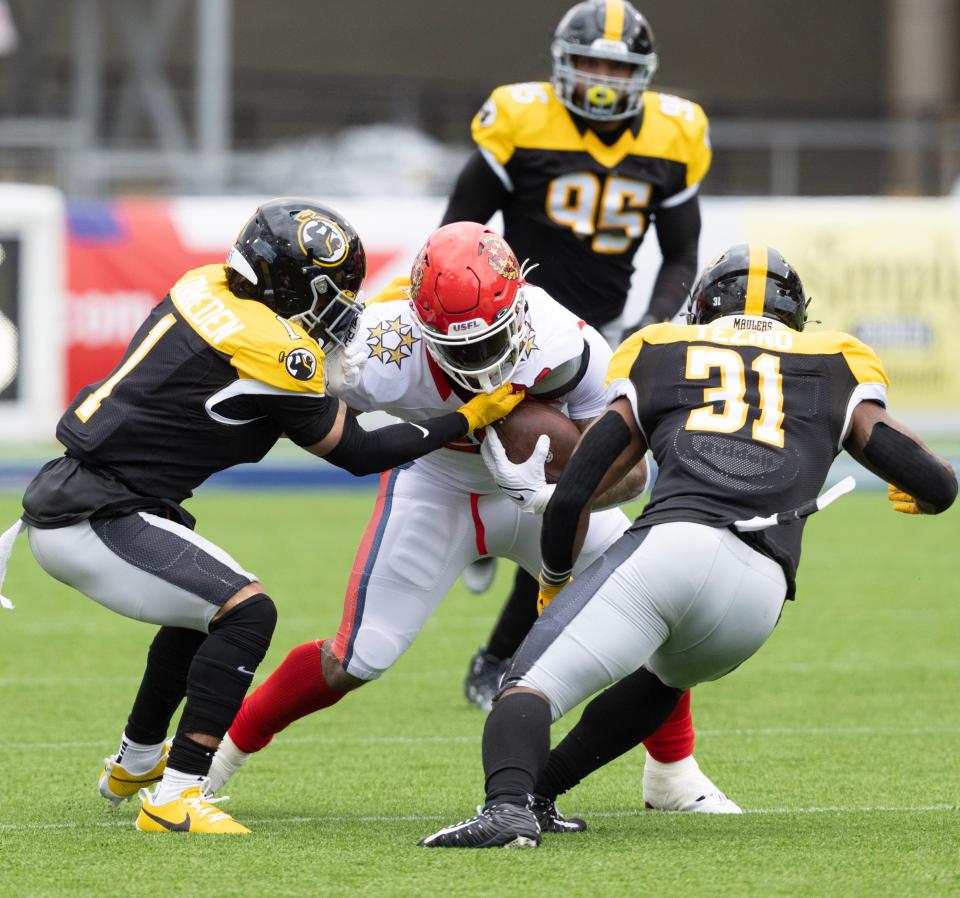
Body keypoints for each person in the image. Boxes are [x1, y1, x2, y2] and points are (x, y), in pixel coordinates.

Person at [0, 200, 523, 835]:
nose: (343, 310)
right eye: (335, 294)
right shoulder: (277, 351)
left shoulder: (203, 284)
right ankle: (176, 797)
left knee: (199, 616)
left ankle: (136, 763)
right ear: (291, 286)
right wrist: (469, 416)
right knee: (248, 612)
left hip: (87, 498)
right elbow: (358, 451)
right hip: (96, 514)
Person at [418, 243, 957, 848]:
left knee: (528, 683)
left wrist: (552, 581)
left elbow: (574, 493)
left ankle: (507, 810)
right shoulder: (838, 359)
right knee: (662, 680)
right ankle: (540, 794)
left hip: (675, 546)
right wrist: (929, 496)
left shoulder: (660, 348)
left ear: (701, 305)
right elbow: (932, 478)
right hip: (760, 600)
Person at [207, 223, 733, 824]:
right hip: (439, 486)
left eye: (491, 341)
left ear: (519, 302)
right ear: (418, 324)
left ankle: (672, 774)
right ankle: (213, 759)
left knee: (651, 611)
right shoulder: (376, 350)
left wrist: (553, 496)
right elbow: (291, 403)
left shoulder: (565, 342)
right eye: (460, 349)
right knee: (356, 657)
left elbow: (632, 477)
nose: (481, 361)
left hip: (550, 497)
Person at [443, 1, 712, 741]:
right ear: (563, 64)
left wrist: (656, 321)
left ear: (643, 78)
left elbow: (682, 250)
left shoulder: (674, 132)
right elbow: (459, 230)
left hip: (600, 335)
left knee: (578, 489)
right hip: (516, 328)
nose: (600, 81)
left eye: (617, 69)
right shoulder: (520, 120)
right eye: (591, 63)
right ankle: (484, 547)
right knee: (522, 471)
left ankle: (499, 649)